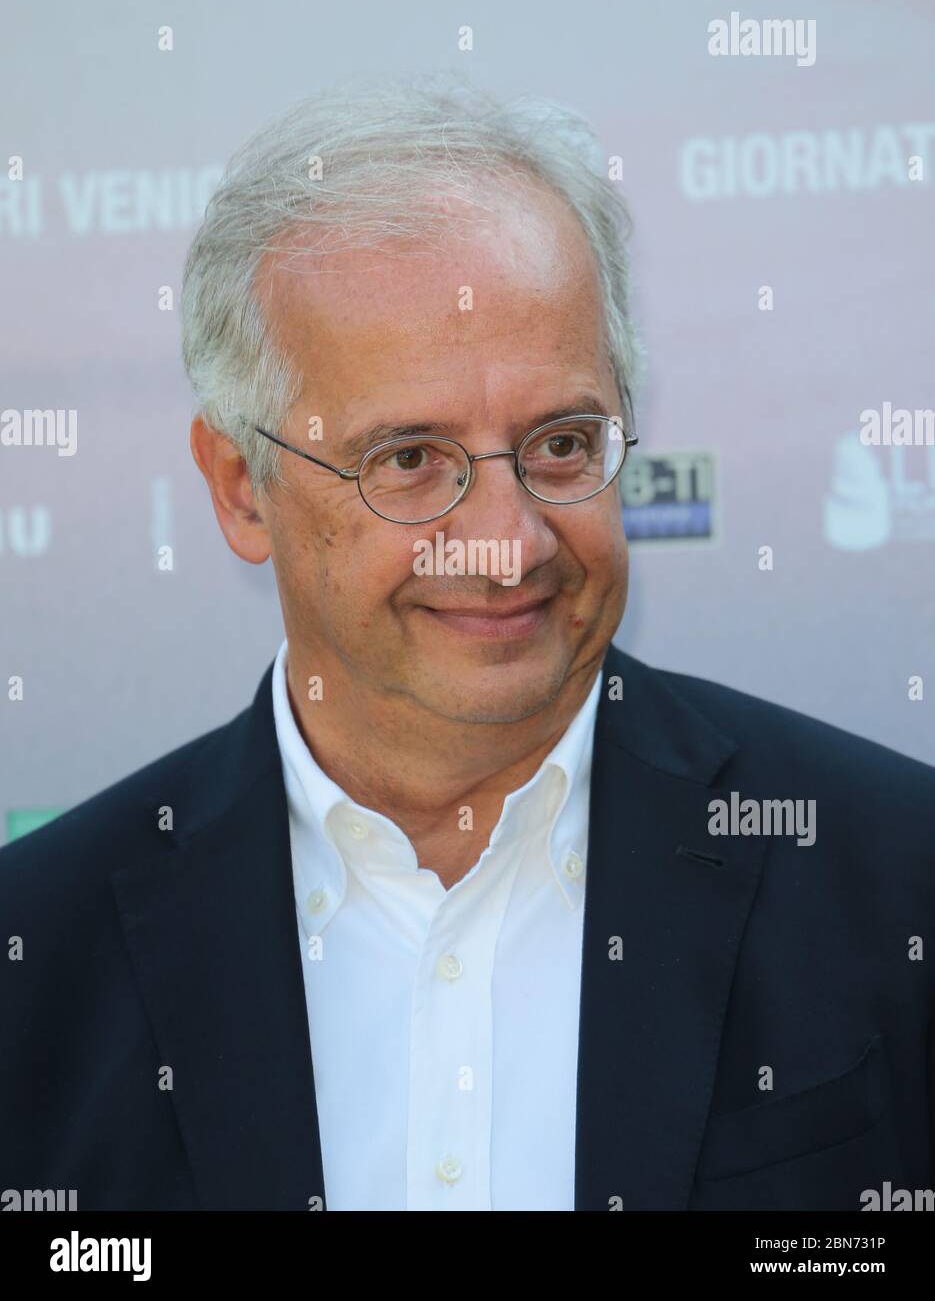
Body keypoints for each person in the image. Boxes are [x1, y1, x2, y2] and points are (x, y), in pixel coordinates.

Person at [2, 74, 933, 1212]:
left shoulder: (893, 876)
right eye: (409, 460)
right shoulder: (35, 957)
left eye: (557, 442)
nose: (505, 544)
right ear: (242, 487)